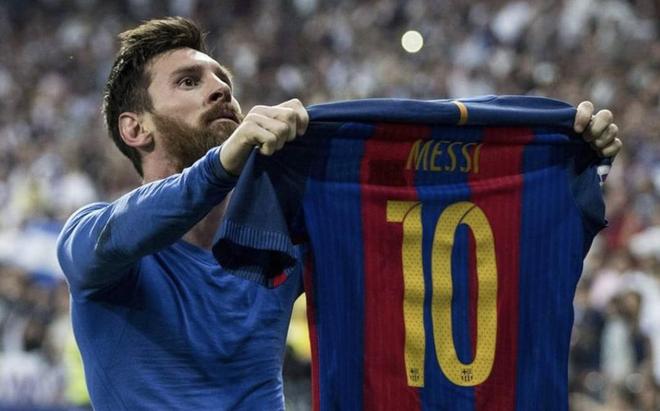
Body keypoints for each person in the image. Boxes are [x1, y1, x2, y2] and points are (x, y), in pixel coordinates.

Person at [56, 16, 622, 410]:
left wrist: (560, 161)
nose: (220, 91)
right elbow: (126, 229)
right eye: (189, 82)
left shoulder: (276, 239)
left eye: (223, 80)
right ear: (136, 128)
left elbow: (446, 238)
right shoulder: (90, 241)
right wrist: (223, 165)